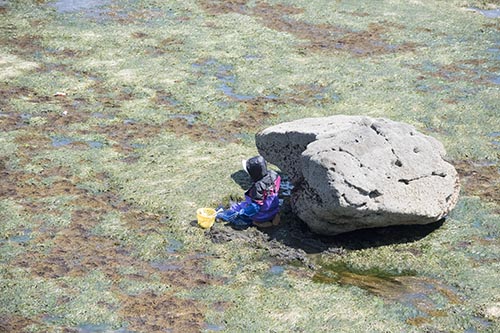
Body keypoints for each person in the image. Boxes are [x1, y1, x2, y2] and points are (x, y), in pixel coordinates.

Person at [217, 156, 281, 228]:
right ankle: (273, 218)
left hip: (261, 215)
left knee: (239, 209)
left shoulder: (258, 187)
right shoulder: (275, 176)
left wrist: (242, 212)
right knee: (265, 205)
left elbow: (255, 207)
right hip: (273, 209)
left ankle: (223, 214)